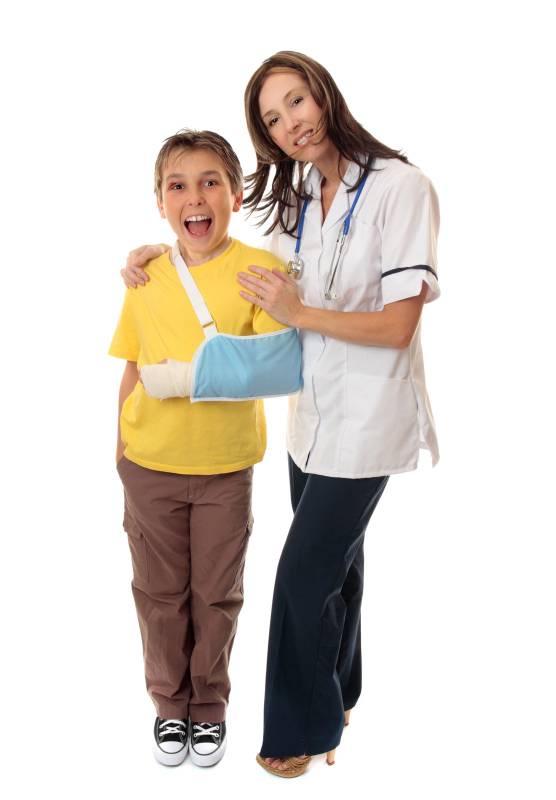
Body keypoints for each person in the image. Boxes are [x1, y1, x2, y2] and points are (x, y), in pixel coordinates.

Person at [121, 51, 440, 778]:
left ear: (325, 94)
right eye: (272, 117)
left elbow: (398, 325)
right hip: (311, 419)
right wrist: (157, 254)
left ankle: (299, 730)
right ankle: (345, 690)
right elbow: (223, 257)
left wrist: (301, 314)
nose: (290, 123)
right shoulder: (298, 195)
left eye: (297, 101)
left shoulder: (401, 187)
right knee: (340, 565)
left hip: (369, 417)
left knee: (301, 577)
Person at [110, 129, 295, 769]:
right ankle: (170, 703)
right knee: (158, 594)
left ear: (236, 195)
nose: (195, 197)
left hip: (224, 467)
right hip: (149, 464)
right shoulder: (146, 275)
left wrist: (190, 378)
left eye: (210, 182)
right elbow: (132, 366)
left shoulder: (260, 272)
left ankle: (209, 705)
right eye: (178, 186)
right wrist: (120, 450)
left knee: (216, 595)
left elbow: (277, 365)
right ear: (161, 202)